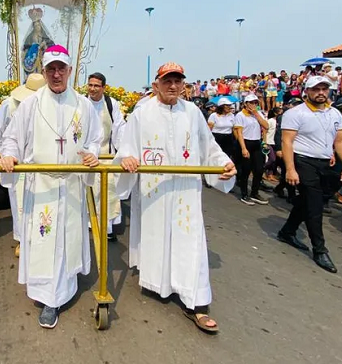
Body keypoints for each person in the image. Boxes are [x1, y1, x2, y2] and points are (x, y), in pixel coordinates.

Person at [116, 62, 236, 334]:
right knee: (157, 236)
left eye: (177, 81)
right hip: (154, 188)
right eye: (167, 81)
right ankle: (160, 283)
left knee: (190, 240)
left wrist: (223, 164)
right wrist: (128, 159)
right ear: (156, 84)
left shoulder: (193, 112)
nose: (172, 86)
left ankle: (197, 302)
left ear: (184, 85)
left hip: (185, 191)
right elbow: (126, 147)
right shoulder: (141, 113)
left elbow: (209, 147)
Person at [0, 45, 102, 329]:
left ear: (70, 71)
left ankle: (63, 289)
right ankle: (47, 297)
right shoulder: (30, 105)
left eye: (61, 69)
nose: (56, 74)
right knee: (44, 240)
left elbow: (94, 138)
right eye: (50, 69)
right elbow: (11, 138)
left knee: (66, 239)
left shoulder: (83, 105)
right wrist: (8, 155)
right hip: (41, 183)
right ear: (43, 73)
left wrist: (92, 152)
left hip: (70, 184)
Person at [276, 76, 342, 273]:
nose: (321, 92)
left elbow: (341, 140)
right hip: (303, 161)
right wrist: (290, 169)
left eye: (324, 89)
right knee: (314, 205)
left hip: (325, 162)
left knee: (308, 201)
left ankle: (288, 231)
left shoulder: (334, 113)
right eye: (316, 89)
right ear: (307, 91)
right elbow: (287, 142)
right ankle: (320, 249)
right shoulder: (295, 113)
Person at [0, 73, 46, 255]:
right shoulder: (10, 104)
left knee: (43, 203)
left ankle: (41, 238)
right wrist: (1, 152)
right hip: (17, 161)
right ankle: (22, 240)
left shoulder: (49, 105)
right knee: (19, 203)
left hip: (43, 163)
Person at [85, 72, 126, 241]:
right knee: (86, 191)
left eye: (96, 86)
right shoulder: (81, 103)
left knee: (107, 192)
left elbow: (119, 128)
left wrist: (123, 152)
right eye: (90, 85)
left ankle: (106, 229)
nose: (93, 89)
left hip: (106, 156)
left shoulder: (111, 104)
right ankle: (88, 224)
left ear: (103, 88)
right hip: (85, 156)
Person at [233, 93, 269, 205]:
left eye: (255, 103)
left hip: (256, 143)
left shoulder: (258, 114)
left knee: (258, 170)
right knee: (246, 170)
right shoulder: (240, 115)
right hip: (245, 143)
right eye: (251, 102)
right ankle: (244, 194)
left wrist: (256, 114)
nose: (254, 105)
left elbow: (266, 126)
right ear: (246, 104)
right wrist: (243, 148)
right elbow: (239, 133)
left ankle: (255, 192)